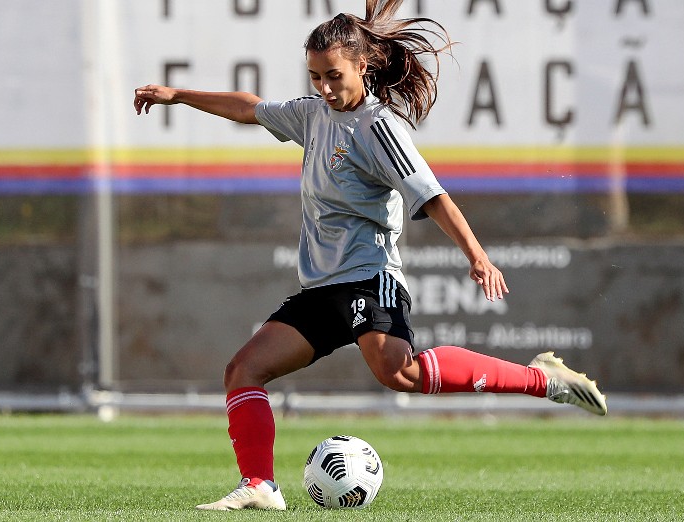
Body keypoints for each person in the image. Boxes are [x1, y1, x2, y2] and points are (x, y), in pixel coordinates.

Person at [133, 0, 607, 511]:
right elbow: (250, 108)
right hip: (322, 288)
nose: (324, 87)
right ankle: (259, 486)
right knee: (243, 370)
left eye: (333, 75)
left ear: (362, 66)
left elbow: (433, 196)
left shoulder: (380, 129)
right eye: (315, 76)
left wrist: (477, 255)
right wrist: (176, 95)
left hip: (369, 278)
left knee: (398, 374)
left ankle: (545, 380)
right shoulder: (312, 114)